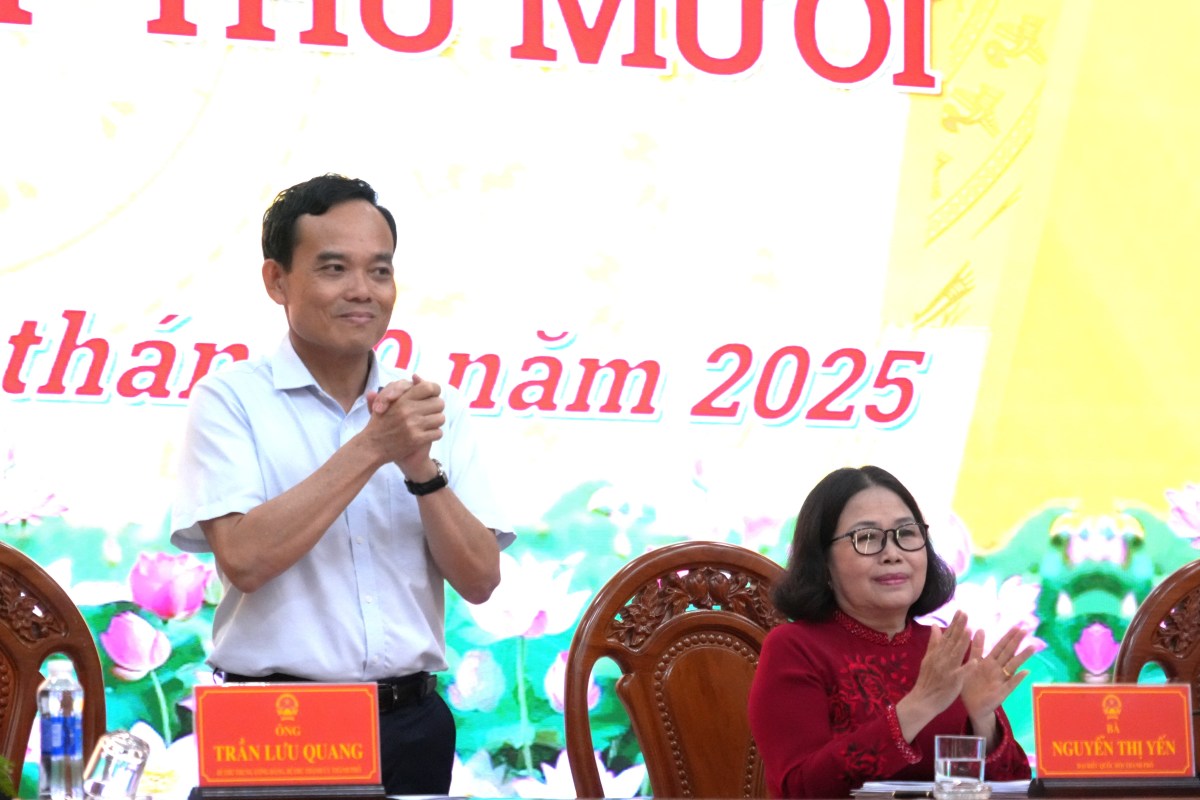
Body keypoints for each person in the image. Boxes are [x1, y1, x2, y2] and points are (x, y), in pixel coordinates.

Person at [170, 173, 513, 795]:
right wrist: (373, 447)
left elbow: (481, 580)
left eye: (379, 271)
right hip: (277, 725)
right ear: (278, 281)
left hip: (411, 722)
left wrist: (419, 469)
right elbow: (245, 560)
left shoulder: (432, 408)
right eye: (334, 268)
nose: (363, 292)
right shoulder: (230, 400)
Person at [748, 465, 1033, 798]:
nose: (893, 554)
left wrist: (983, 722)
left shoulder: (947, 649)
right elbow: (801, 789)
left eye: (907, 534)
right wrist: (920, 705)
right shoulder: (794, 649)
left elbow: (1015, 784)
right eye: (867, 538)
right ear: (823, 563)